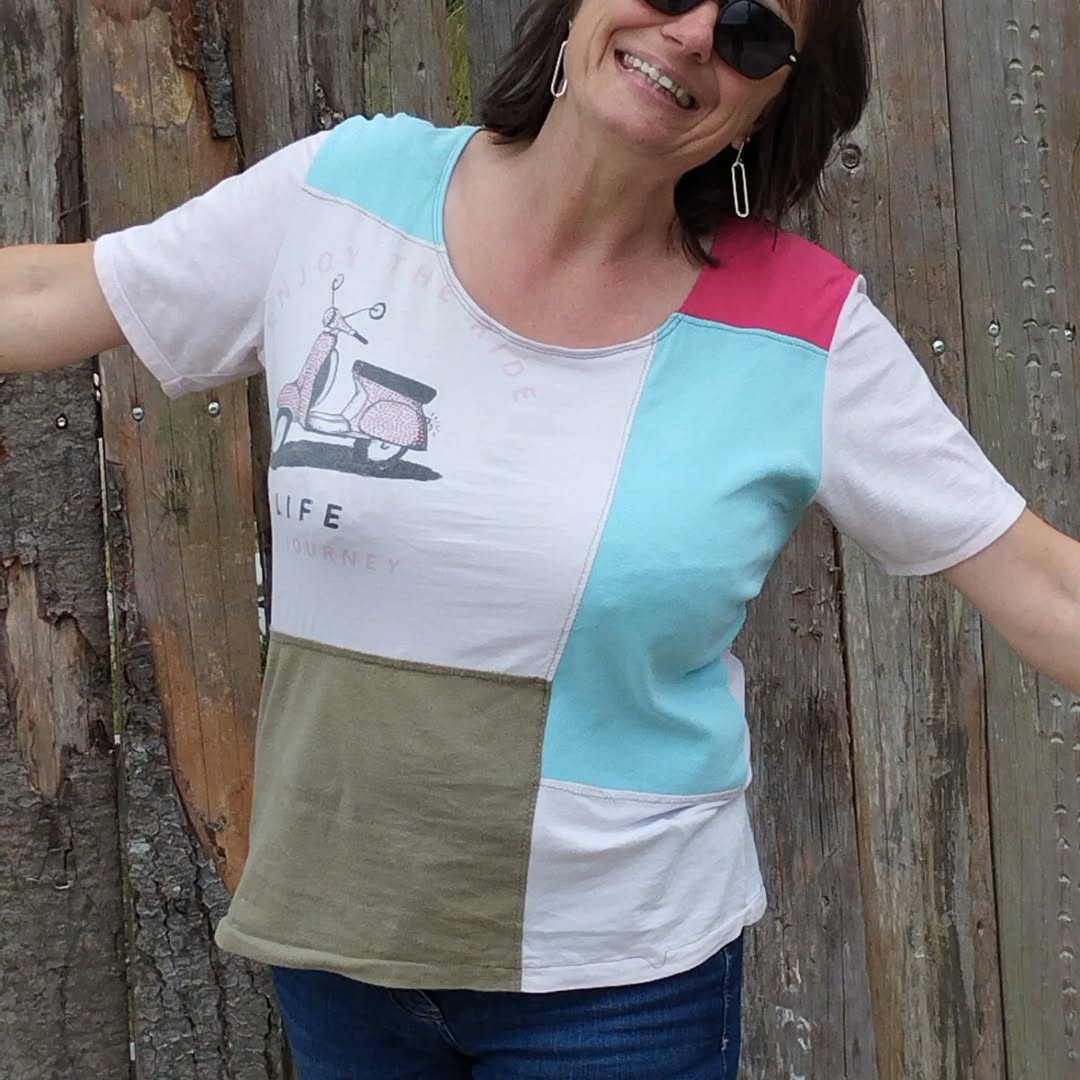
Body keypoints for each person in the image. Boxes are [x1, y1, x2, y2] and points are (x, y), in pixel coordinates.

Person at [2, 0, 1078, 1076]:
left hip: (616, 989)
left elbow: (1040, 583)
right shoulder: (347, 196)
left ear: (774, 101)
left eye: (753, 30)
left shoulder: (804, 329)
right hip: (338, 941)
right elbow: (59, 288)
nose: (694, 33)